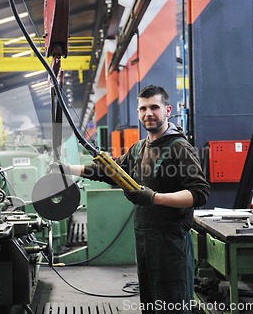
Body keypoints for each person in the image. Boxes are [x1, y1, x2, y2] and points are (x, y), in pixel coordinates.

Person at [60, 85, 210, 313]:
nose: (148, 113)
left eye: (154, 107)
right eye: (143, 108)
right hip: (144, 240)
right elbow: (109, 170)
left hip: (170, 243)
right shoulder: (139, 148)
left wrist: (155, 198)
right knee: (150, 304)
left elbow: (199, 193)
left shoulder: (180, 148)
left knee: (172, 305)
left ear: (167, 110)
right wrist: (68, 168)